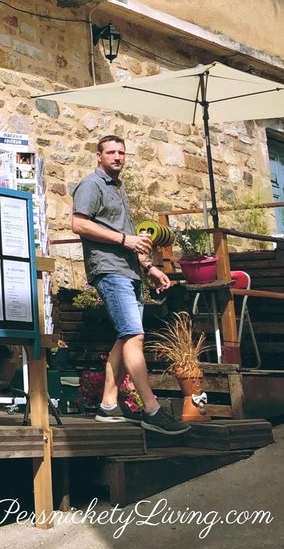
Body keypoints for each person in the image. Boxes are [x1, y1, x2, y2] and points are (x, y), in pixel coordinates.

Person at [71, 135, 190, 435]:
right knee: (134, 336)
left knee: (125, 338)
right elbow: (78, 223)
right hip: (110, 271)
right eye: (111, 152)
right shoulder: (91, 185)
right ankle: (151, 409)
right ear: (98, 156)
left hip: (130, 271)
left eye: (122, 152)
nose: (117, 157)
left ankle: (108, 404)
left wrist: (149, 268)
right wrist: (126, 240)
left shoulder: (119, 188)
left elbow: (128, 237)